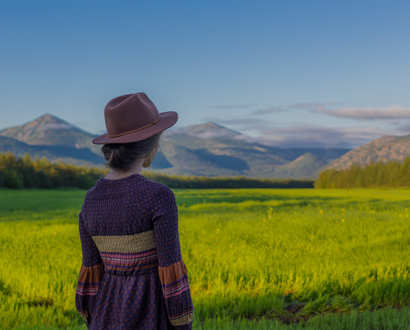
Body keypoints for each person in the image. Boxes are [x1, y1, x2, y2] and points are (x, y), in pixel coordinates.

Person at [75, 92, 194, 329]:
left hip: (105, 315)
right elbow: (171, 272)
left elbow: (91, 273)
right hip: (150, 314)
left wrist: (93, 319)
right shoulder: (159, 197)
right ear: (151, 144)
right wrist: (183, 325)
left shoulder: (90, 200)